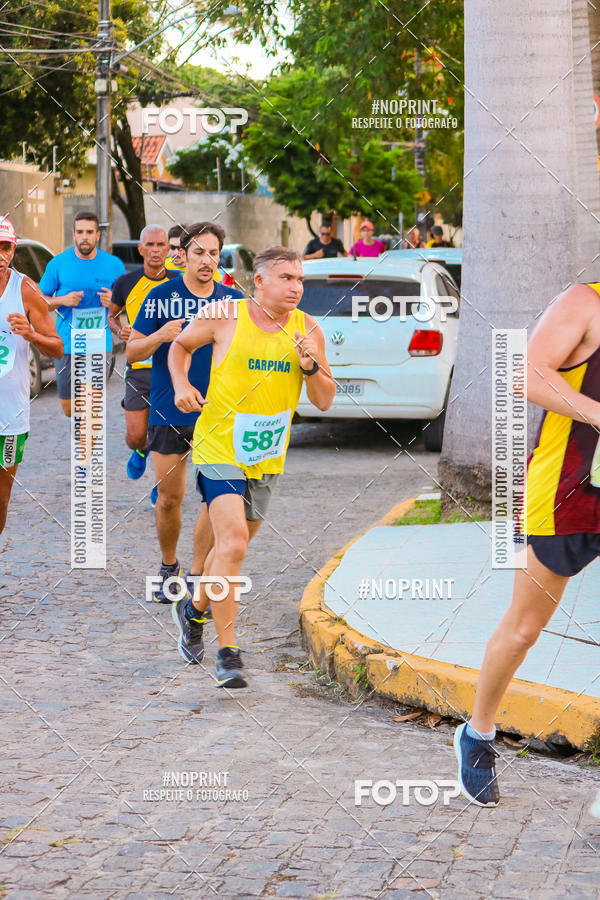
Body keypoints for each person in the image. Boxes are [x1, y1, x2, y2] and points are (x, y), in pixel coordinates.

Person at [454, 281, 600, 807]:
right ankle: (480, 733)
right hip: (567, 492)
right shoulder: (585, 303)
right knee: (524, 628)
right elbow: (528, 377)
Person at [168, 246, 335, 688]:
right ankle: (229, 654)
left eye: (299, 279)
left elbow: (324, 399)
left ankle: (194, 610)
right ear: (258, 281)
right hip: (219, 445)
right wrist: (182, 384)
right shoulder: (226, 314)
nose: (296, 287)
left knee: (229, 553)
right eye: (285, 278)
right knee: (235, 544)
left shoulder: (307, 328)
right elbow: (179, 347)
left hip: (265, 455)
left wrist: (310, 365)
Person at [126, 222, 243, 602]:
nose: (207, 261)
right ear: (184, 255)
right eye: (199, 253)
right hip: (168, 408)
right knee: (169, 498)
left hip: (218, 413)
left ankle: (196, 573)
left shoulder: (232, 300)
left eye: (213, 254)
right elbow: (132, 353)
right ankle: (168, 565)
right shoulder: (161, 297)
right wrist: (162, 335)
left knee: (215, 499)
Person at [0, 218, 63, 534]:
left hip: (10, 416)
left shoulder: (24, 290)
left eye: (5, 247)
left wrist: (32, 335)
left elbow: (57, 348)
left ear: (13, 250)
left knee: (0, 498)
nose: (0, 255)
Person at [107, 225, 177, 496]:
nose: (156, 250)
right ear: (141, 249)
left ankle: (161, 487)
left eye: (161, 245)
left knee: (167, 433)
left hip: (171, 368)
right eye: (150, 245)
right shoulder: (126, 283)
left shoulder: (179, 281)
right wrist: (119, 330)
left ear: (168, 249)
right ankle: (141, 448)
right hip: (138, 368)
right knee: (137, 435)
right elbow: (112, 316)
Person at [39, 211, 125, 418]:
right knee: (70, 409)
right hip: (67, 344)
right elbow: (40, 302)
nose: (84, 236)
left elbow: (127, 304)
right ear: (73, 234)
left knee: (91, 405)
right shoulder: (58, 264)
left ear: (97, 235)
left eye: (89, 232)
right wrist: (61, 300)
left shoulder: (114, 265)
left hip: (99, 344)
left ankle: (86, 450)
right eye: (80, 232)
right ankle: (83, 438)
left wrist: (114, 302)